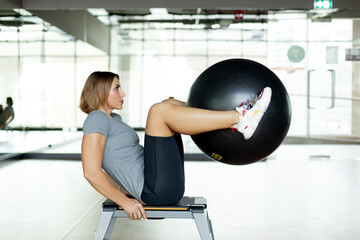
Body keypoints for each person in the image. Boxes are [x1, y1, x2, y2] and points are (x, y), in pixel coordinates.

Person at [80, 71, 272, 221]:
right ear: (101, 91)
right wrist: (124, 202)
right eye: (117, 88)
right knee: (158, 111)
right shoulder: (96, 119)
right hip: (155, 189)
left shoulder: (113, 119)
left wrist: (122, 189)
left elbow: (112, 160)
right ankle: (239, 118)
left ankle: (232, 112)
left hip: (161, 184)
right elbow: (91, 171)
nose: (123, 93)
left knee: (168, 103)